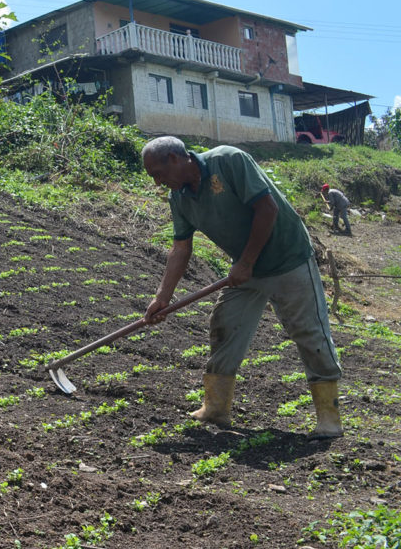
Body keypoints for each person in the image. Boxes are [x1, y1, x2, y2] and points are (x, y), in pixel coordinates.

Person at [141, 136, 342, 439]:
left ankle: (329, 417)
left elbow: (267, 209)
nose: (158, 182)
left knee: (308, 332)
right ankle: (216, 407)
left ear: (174, 158)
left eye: (158, 173)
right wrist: (162, 298)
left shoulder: (229, 160)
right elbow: (181, 248)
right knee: (224, 325)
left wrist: (246, 262)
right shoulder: (179, 198)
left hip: (287, 258)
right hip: (245, 269)